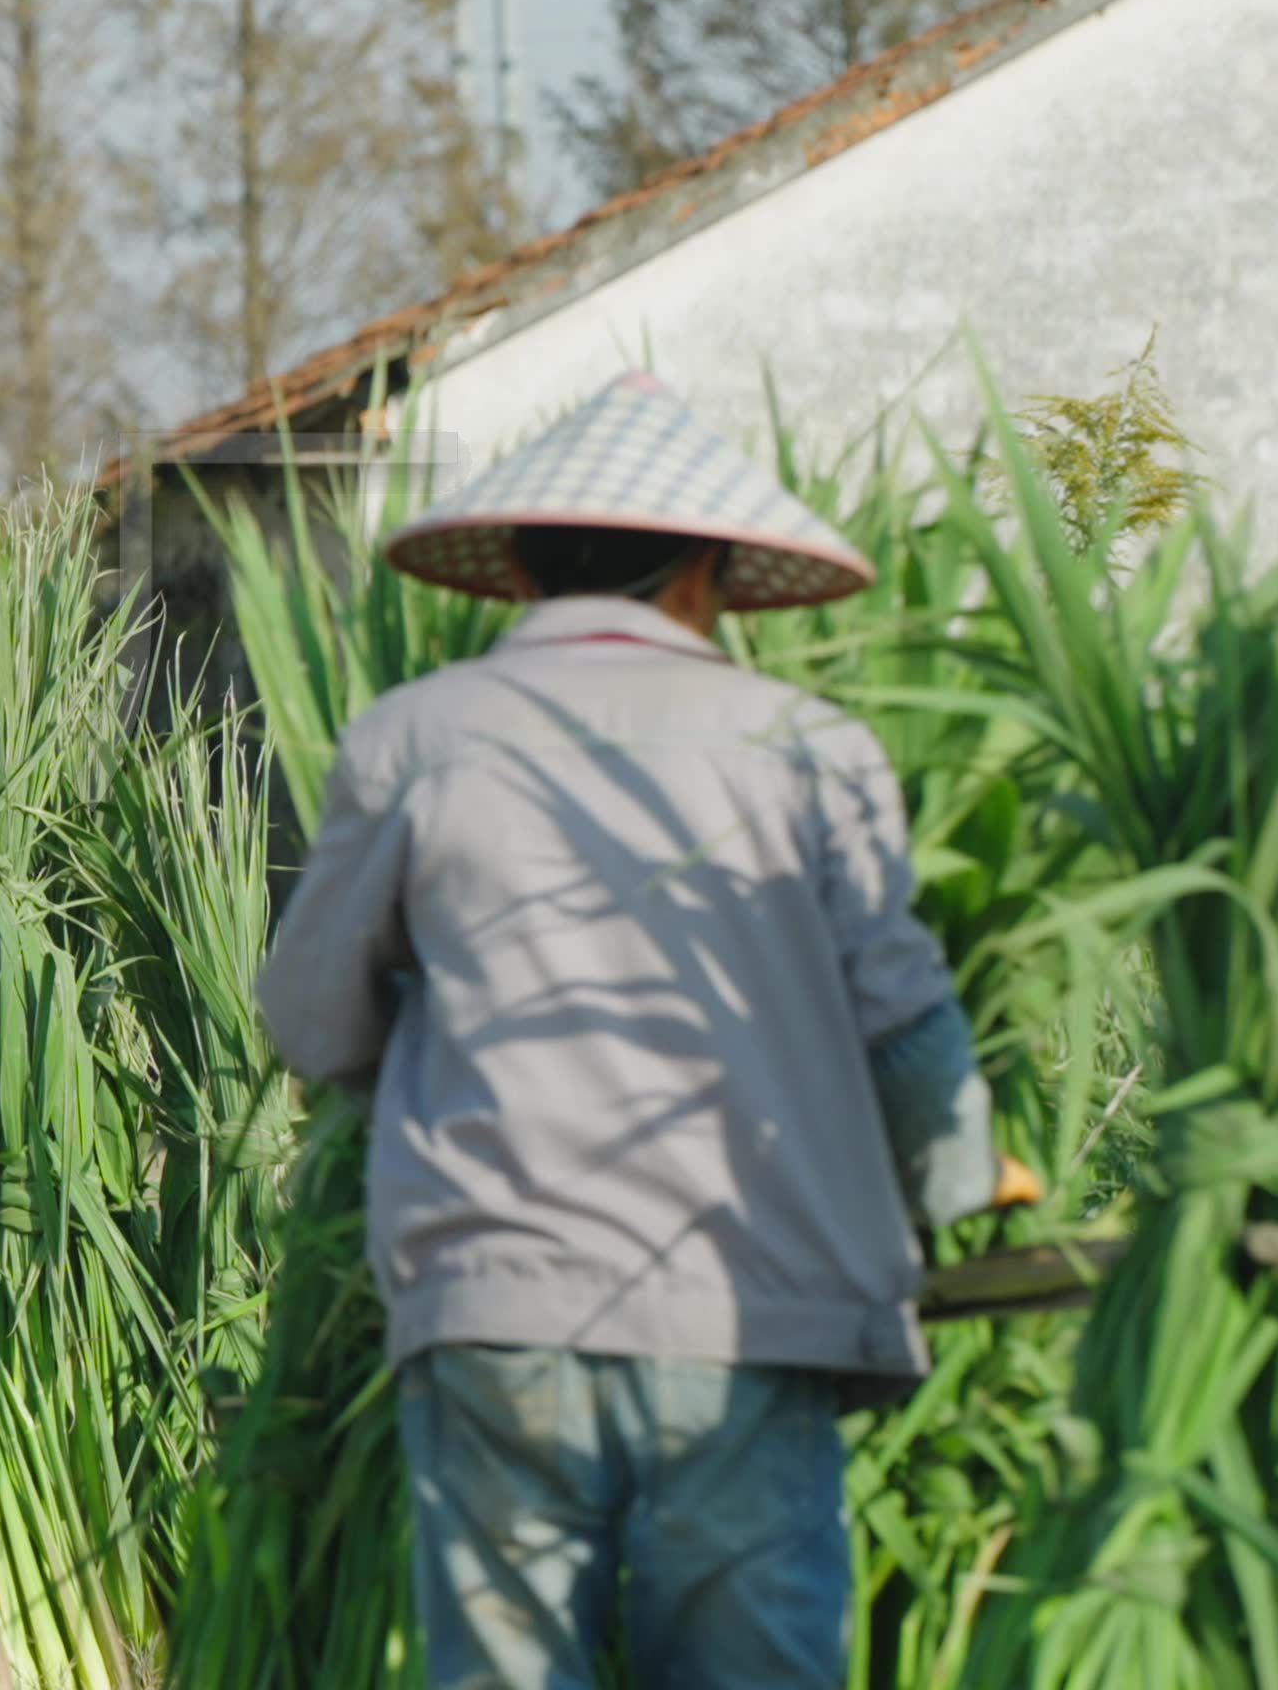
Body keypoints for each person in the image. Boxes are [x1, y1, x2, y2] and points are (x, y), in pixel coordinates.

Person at [253, 372, 1036, 1690]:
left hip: (494, 1299)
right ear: (705, 577)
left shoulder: (417, 738)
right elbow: (901, 1014)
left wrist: (456, 1060)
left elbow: (312, 1020)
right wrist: (963, 1180)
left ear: (521, 568)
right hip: (744, 1302)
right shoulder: (807, 744)